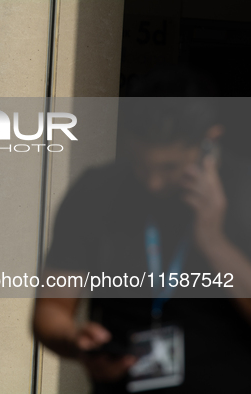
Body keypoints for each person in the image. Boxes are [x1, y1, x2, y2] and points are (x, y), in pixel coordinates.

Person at [33, 69, 251, 393]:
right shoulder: (97, 191)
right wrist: (76, 340)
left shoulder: (243, 191)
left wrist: (214, 241)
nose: (153, 182)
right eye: (141, 165)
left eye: (170, 168)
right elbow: (51, 310)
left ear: (210, 140)